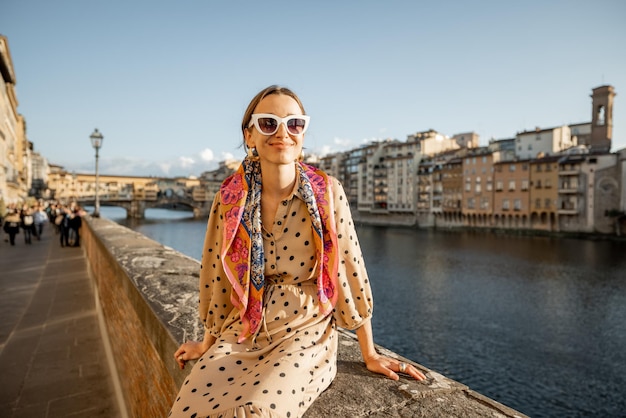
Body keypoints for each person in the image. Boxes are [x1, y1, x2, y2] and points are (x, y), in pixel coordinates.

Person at [169, 86, 426, 418]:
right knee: (188, 409)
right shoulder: (230, 197)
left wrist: (369, 352)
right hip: (243, 328)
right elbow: (217, 276)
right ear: (250, 135)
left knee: (259, 412)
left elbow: (348, 269)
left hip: (305, 329)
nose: (282, 133)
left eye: (294, 124)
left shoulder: (328, 192)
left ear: (303, 133)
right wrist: (206, 343)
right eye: (268, 123)